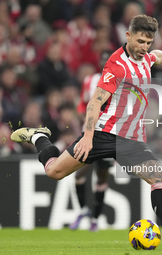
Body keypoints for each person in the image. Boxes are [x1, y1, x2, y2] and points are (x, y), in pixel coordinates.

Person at [11, 14, 162, 250]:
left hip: (131, 140)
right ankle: (39, 136)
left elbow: (155, 57)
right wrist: (89, 137)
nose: (144, 47)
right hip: (104, 134)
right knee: (54, 172)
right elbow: (94, 103)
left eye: (148, 42)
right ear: (128, 36)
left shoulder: (146, 56)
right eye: (140, 41)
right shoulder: (116, 65)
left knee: (161, 179)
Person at [69, 50, 113, 232]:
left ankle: (95, 219)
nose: (105, 63)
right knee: (78, 174)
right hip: (88, 134)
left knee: (101, 177)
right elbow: (82, 103)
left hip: (108, 135)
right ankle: (83, 210)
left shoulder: (120, 82)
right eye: (103, 60)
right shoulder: (90, 81)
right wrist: (81, 115)